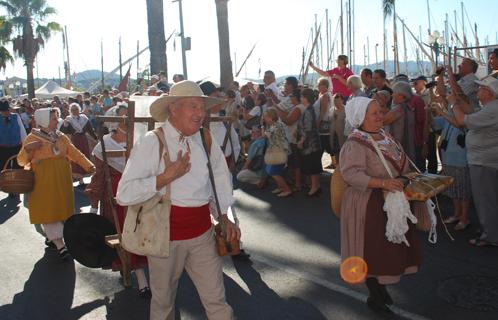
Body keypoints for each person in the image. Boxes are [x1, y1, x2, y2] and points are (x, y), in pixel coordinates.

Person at [116, 80, 240, 320]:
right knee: (163, 305)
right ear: (173, 108)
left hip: (202, 234)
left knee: (216, 300)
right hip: (164, 239)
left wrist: (224, 215)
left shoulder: (206, 139)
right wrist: (164, 177)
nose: (200, 114)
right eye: (193, 106)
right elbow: (124, 194)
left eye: (202, 108)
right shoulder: (152, 141)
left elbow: (220, 180)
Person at [339, 97, 421, 314]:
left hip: (390, 200)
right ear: (360, 118)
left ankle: (379, 288)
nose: (380, 116)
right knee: (372, 251)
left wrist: (405, 177)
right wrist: (383, 182)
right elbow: (351, 174)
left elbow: (401, 162)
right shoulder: (355, 143)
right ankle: (375, 296)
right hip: (369, 203)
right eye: (373, 113)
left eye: (379, 111)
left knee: (387, 250)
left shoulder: (384, 136)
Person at [85, 107, 151, 298]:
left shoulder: (139, 141)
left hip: (137, 195)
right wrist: (94, 201)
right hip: (114, 196)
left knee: (137, 233)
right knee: (121, 234)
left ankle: (139, 277)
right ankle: (139, 279)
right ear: (115, 122)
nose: (127, 120)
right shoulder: (103, 145)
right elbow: (98, 176)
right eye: (123, 116)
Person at [17, 108, 95, 260]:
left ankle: (52, 238)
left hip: (62, 178)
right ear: (44, 120)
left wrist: (89, 165)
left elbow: (74, 153)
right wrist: (27, 149)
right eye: (53, 118)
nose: (57, 120)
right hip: (43, 181)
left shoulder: (61, 137)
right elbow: (21, 161)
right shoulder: (32, 138)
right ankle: (60, 245)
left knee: (62, 210)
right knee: (48, 211)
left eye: (57, 117)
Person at [452, 77, 498, 247]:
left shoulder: (492, 109)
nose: (478, 89)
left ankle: (491, 235)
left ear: (489, 93)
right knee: (488, 199)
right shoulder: (489, 108)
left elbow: (463, 120)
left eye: (481, 87)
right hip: (485, 161)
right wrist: (458, 101)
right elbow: (471, 112)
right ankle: (490, 230)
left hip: (483, 162)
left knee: (485, 200)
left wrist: (453, 105)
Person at [432, 92, 473, 231]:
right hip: (448, 157)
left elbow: (458, 124)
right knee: (454, 189)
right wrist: (432, 111)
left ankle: (464, 218)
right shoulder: (450, 113)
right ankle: (457, 214)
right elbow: (435, 125)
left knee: (463, 190)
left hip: (461, 159)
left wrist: (441, 112)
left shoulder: (467, 117)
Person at [274, 89, 306, 191]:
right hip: (293, 137)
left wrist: (278, 110)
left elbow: (288, 121)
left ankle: (297, 184)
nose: (289, 98)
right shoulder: (299, 107)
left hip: (294, 138)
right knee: (293, 161)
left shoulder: (299, 107)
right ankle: (295, 181)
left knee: (295, 162)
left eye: (291, 96)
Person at [391, 81, 427, 171]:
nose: (392, 95)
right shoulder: (397, 104)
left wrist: (425, 143)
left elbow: (424, 122)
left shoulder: (417, 100)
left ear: (401, 94)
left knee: (418, 169)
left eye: (394, 93)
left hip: (416, 142)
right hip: (404, 143)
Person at [61, 103, 98, 184]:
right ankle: (77, 176)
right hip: (74, 140)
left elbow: (90, 129)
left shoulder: (84, 118)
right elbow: (63, 131)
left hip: (83, 139)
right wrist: (65, 125)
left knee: (84, 155)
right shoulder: (69, 119)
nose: (75, 111)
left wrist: (96, 138)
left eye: (76, 109)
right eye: (73, 110)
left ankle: (84, 176)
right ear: (70, 111)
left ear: (79, 110)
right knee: (75, 156)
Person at [297, 88, 322, 196]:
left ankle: (315, 187)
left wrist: (301, 141)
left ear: (306, 98)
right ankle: (315, 186)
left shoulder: (308, 111)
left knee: (313, 165)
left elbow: (308, 128)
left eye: (302, 96)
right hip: (313, 142)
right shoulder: (309, 109)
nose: (300, 98)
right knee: (313, 164)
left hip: (311, 144)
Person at [0, 100, 27, 199]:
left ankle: (16, 188)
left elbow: (22, 131)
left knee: (17, 168)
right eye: (3, 111)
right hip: (3, 148)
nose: (5, 112)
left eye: (6, 110)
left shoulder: (16, 117)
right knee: (5, 169)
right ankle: (8, 188)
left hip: (16, 146)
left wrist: (25, 145)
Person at [263, 108, 292, 197]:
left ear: (270, 117)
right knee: (274, 171)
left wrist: (262, 126)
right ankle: (281, 187)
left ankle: (287, 189)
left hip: (279, 152)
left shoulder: (275, 126)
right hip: (277, 151)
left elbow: (264, 135)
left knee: (273, 172)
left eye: (265, 117)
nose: (264, 119)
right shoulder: (276, 124)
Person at [313, 77, 333, 168]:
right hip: (325, 122)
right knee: (325, 143)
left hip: (323, 123)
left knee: (324, 143)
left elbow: (323, 110)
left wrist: (318, 122)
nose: (317, 86)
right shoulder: (324, 94)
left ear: (324, 86)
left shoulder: (325, 96)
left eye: (319, 85)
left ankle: (318, 163)